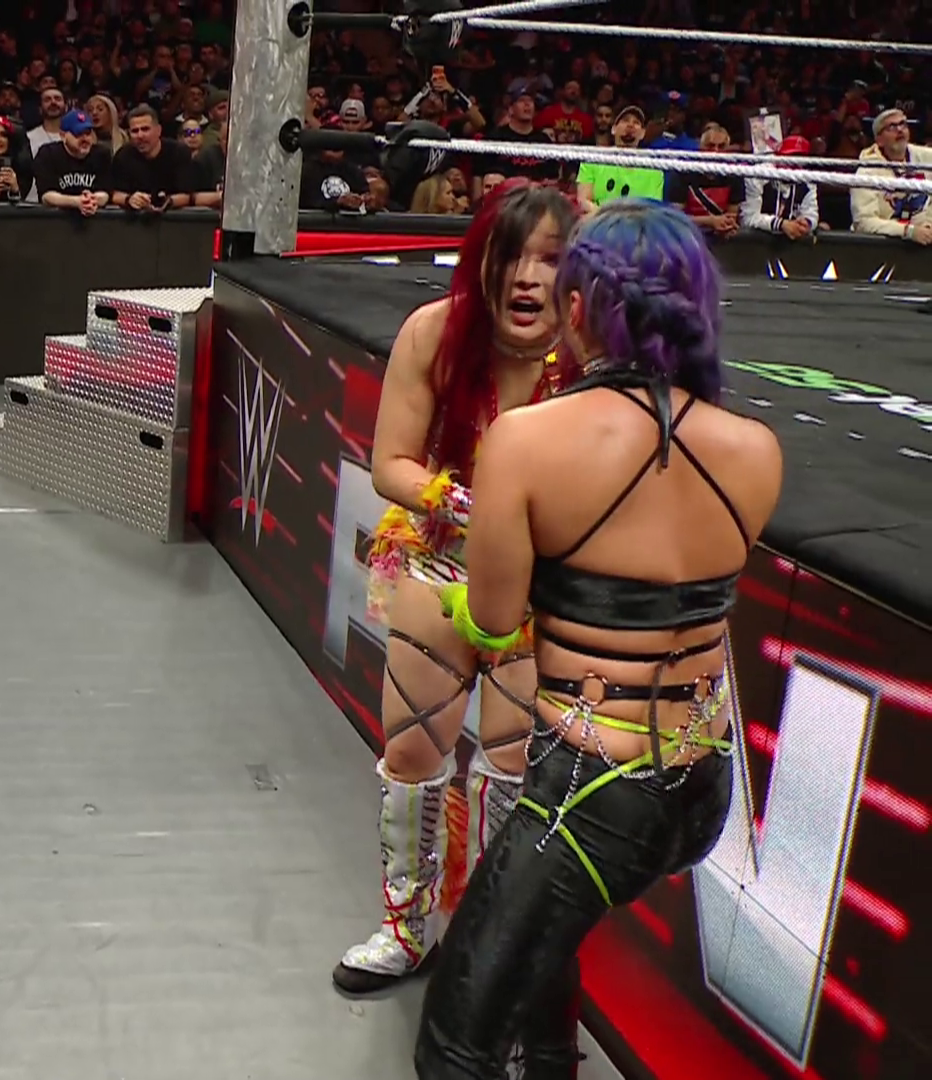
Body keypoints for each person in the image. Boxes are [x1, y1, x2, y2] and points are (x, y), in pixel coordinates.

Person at [414, 200, 782, 1077]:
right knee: (544, 940)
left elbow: (493, 621)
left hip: (591, 788)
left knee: (453, 1047)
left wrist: (447, 599)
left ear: (579, 309)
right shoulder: (755, 447)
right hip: (704, 781)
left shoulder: (529, 440)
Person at [334, 180, 581, 996]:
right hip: (438, 567)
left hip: (544, 588)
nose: (528, 278)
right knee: (410, 754)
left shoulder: (593, 350)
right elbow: (391, 464)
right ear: (481, 262)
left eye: (550, 259)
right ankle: (407, 931)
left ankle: (485, 944)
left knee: (511, 770)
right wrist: (470, 504)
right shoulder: (434, 333)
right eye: (511, 256)